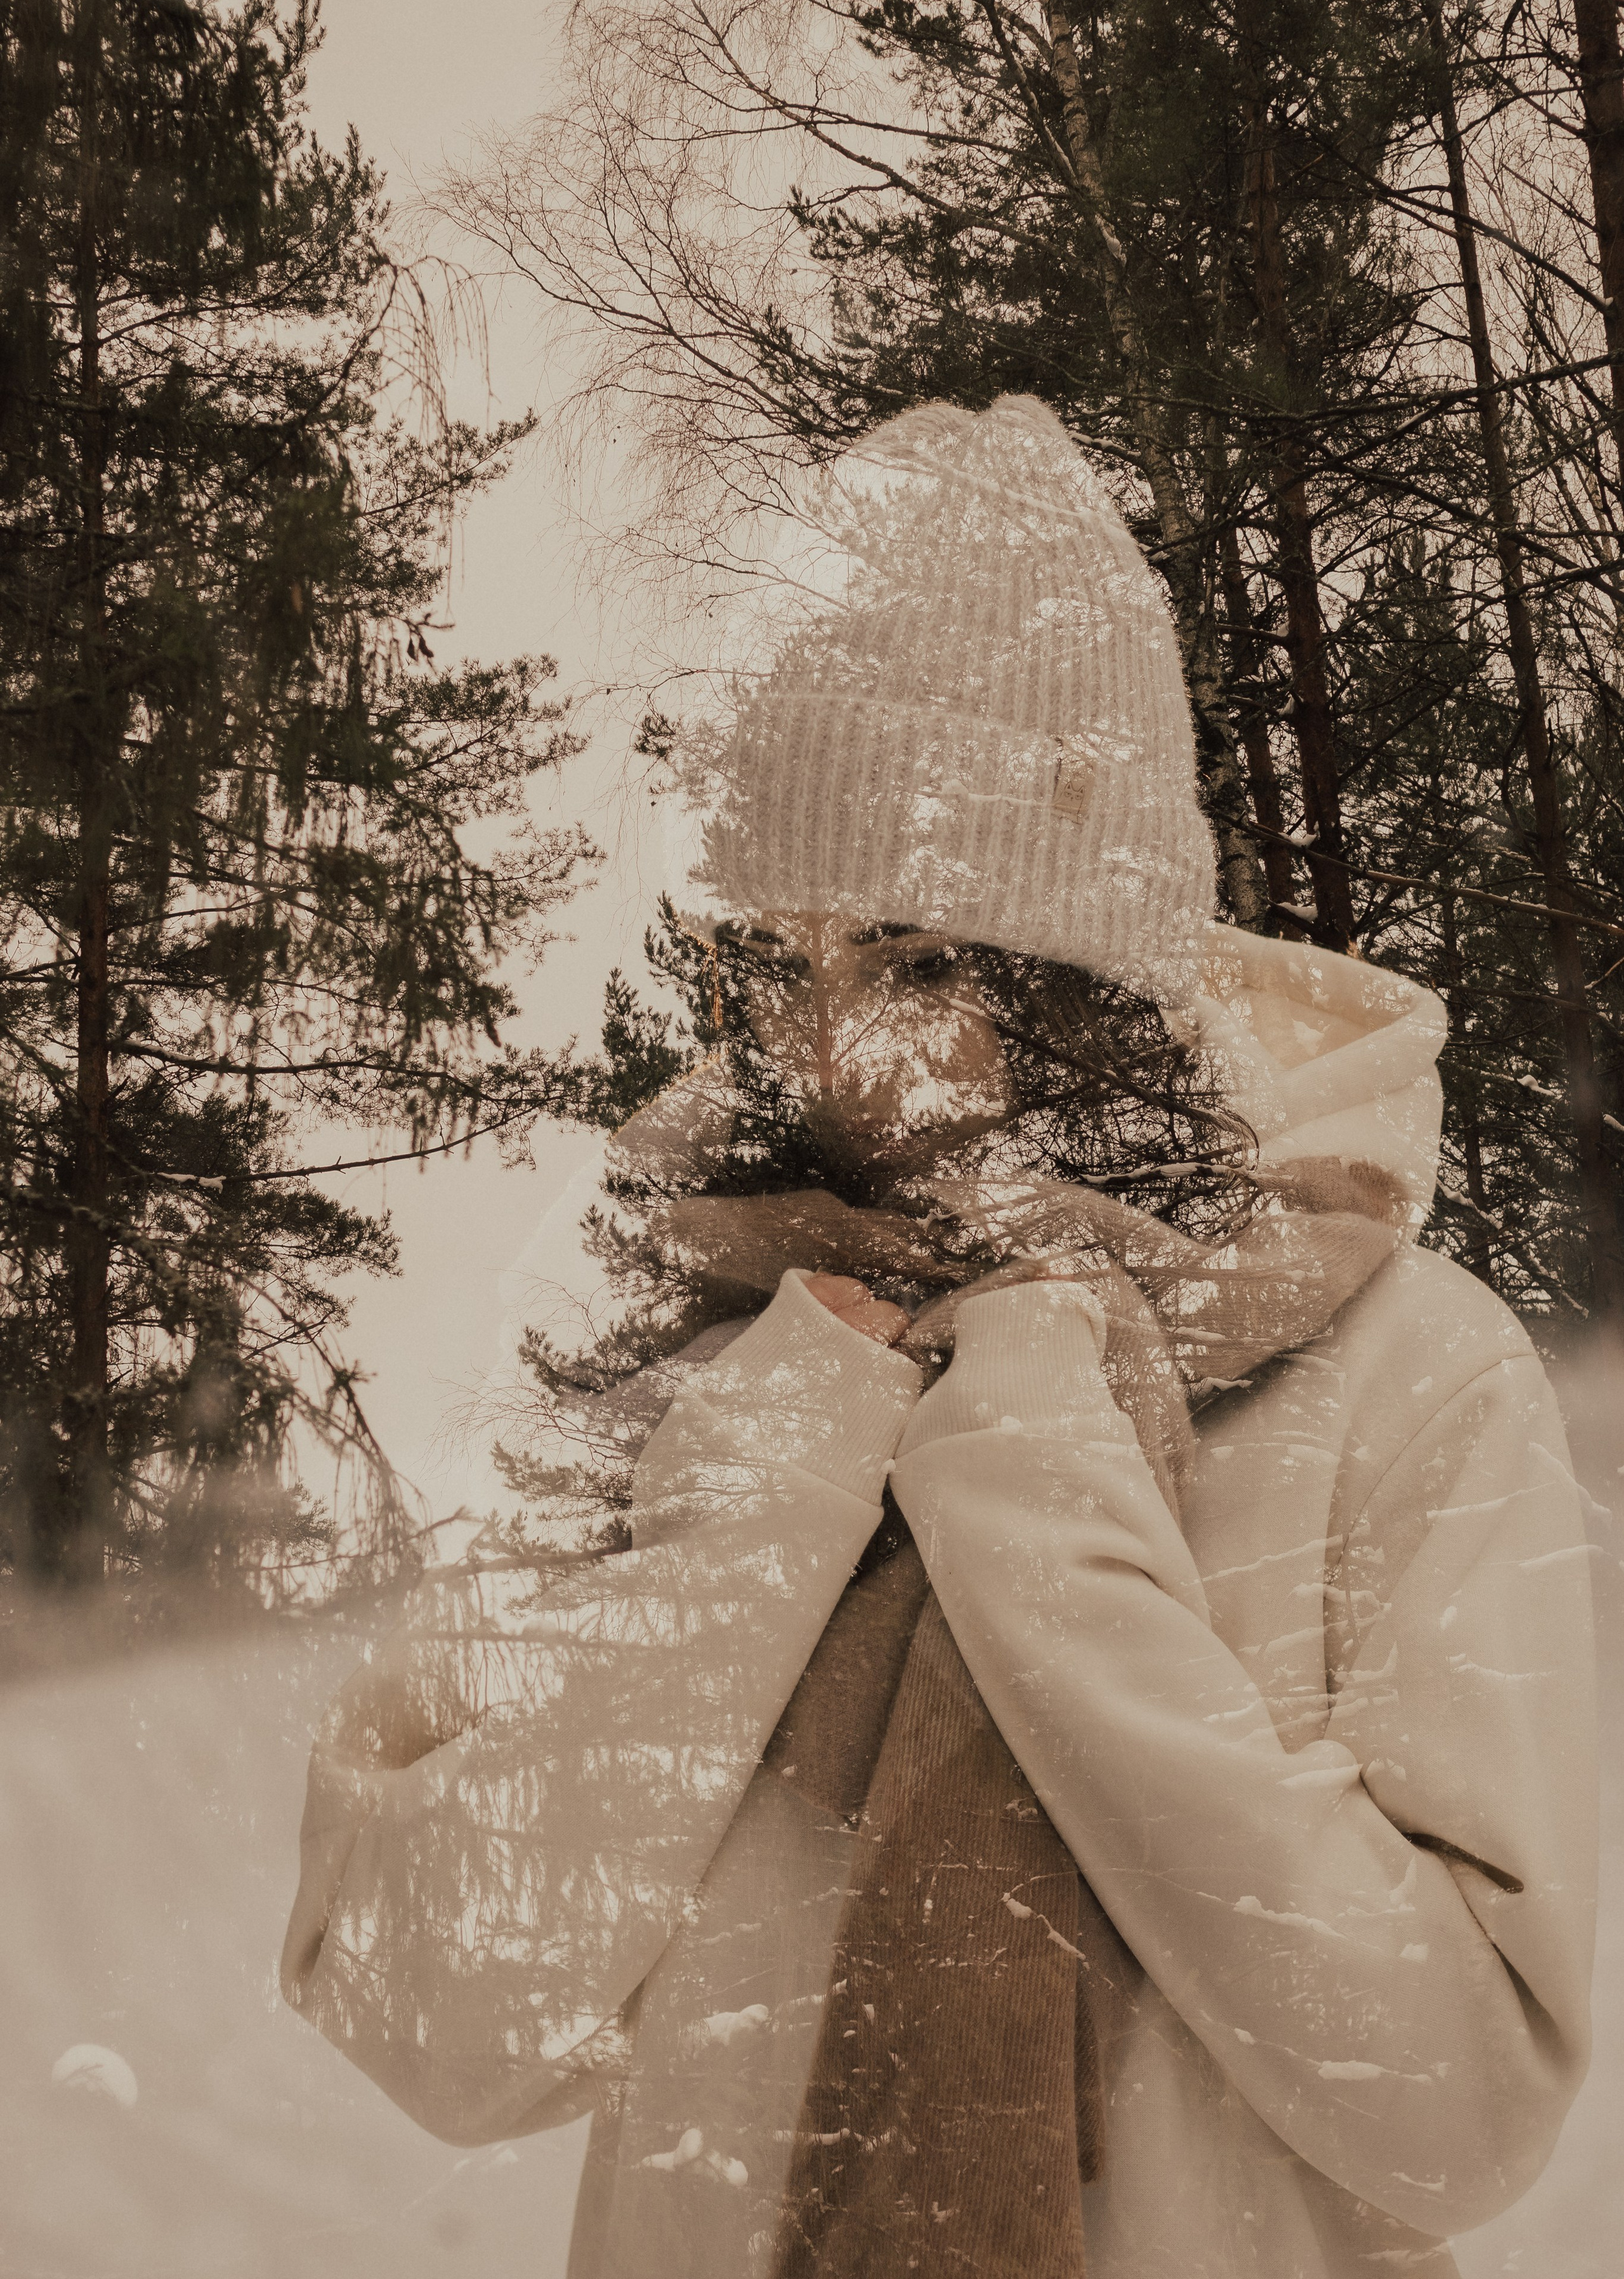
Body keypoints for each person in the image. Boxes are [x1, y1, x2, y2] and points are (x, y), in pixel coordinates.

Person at [281, 397, 1598, 2279]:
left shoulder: (1405, 1373)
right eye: (779, 964)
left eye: (915, 961)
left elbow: (1459, 2107)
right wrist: (763, 1493)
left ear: (1088, 976)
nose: (833, 1053)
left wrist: (1043, 1508)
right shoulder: (657, 1361)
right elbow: (436, 2022)